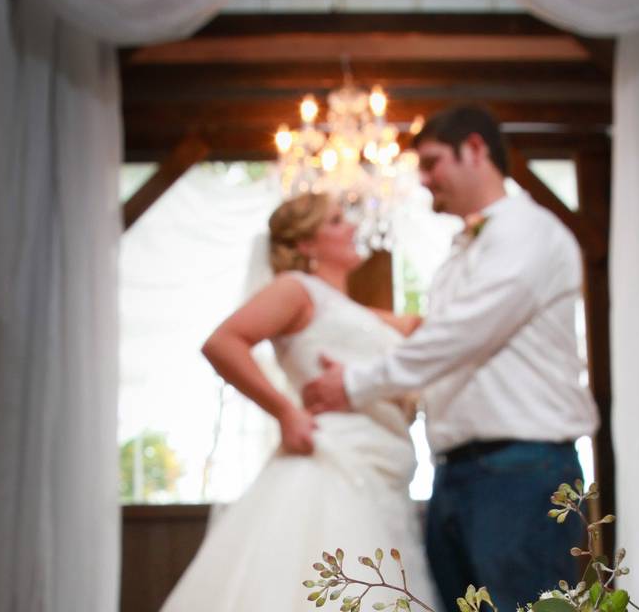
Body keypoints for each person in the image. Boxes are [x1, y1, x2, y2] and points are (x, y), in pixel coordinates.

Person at [302, 105, 600, 612]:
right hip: (458, 473)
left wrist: (356, 385)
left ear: (477, 150)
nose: (424, 179)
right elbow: (438, 342)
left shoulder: (526, 231)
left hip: (520, 469)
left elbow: (460, 336)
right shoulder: (462, 250)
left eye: (434, 162)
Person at [161, 192, 436, 612]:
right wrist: (286, 411)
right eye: (336, 221)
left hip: (385, 469)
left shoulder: (351, 310)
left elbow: (423, 329)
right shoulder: (295, 290)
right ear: (306, 244)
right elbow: (223, 342)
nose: (351, 227)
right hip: (332, 462)